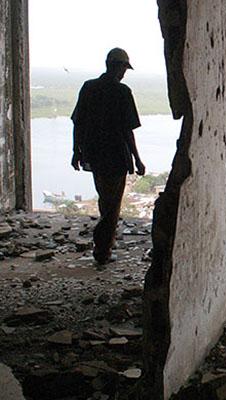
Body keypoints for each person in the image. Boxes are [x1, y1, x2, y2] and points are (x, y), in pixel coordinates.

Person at [70, 48, 145, 265]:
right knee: (112, 208)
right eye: (123, 68)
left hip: (94, 154)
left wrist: (76, 151)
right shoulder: (122, 92)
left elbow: (79, 123)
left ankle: (105, 245)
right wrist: (137, 159)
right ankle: (102, 251)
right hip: (115, 155)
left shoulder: (89, 87)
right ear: (118, 67)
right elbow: (127, 130)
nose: (124, 73)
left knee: (106, 200)